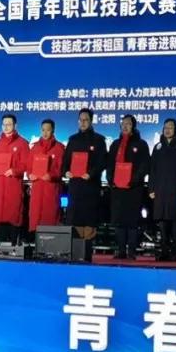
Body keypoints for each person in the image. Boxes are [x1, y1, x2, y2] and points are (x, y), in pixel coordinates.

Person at [62, 108, 107, 251]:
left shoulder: (99, 140)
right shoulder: (73, 139)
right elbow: (65, 161)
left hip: (90, 187)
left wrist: (90, 173)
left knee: (89, 219)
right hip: (75, 186)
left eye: (86, 120)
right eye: (80, 120)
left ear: (91, 121)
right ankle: (74, 251)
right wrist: (66, 172)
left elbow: (102, 162)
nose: (83, 122)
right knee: (74, 218)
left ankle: (87, 251)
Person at [148, 118, 176, 261]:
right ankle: (164, 251)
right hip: (160, 190)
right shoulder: (158, 147)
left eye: (170, 127)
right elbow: (152, 170)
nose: (167, 130)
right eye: (165, 127)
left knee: (175, 223)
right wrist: (151, 188)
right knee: (162, 223)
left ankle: (175, 252)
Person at [107, 115, 150, 260]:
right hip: (118, 188)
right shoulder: (115, 144)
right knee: (119, 220)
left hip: (134, 188)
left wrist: (134, 180)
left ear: (134, 126)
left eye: (128, 124)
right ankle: (120, 250)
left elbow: (145, 165)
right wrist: (111, 180)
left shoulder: (141, 144)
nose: (125, 126)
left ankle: (131, 251)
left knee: (132, 221)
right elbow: (110, 164)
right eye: (123, 124)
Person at [0, 114, 29, 245]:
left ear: (15, 125)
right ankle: (1, 246)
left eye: (9, 124)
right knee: (0, 216)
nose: (6, 127)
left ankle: (14, 246)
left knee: (14, 215)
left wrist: (14, 171)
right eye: (4, 124)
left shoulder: (22, 143)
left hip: (13, 185)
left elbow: (26, 164)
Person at [28, 119, 65, 236]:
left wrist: (52, 175)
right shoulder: (34, 147)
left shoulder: (59, 148)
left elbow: (62, 169)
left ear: (53, 130)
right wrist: (30, 174)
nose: (45, 133)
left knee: (50, 218)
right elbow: (29, 167)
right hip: (37, 189)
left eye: (48, 130)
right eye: (43, 130)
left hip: (51, 188)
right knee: (36, 218)